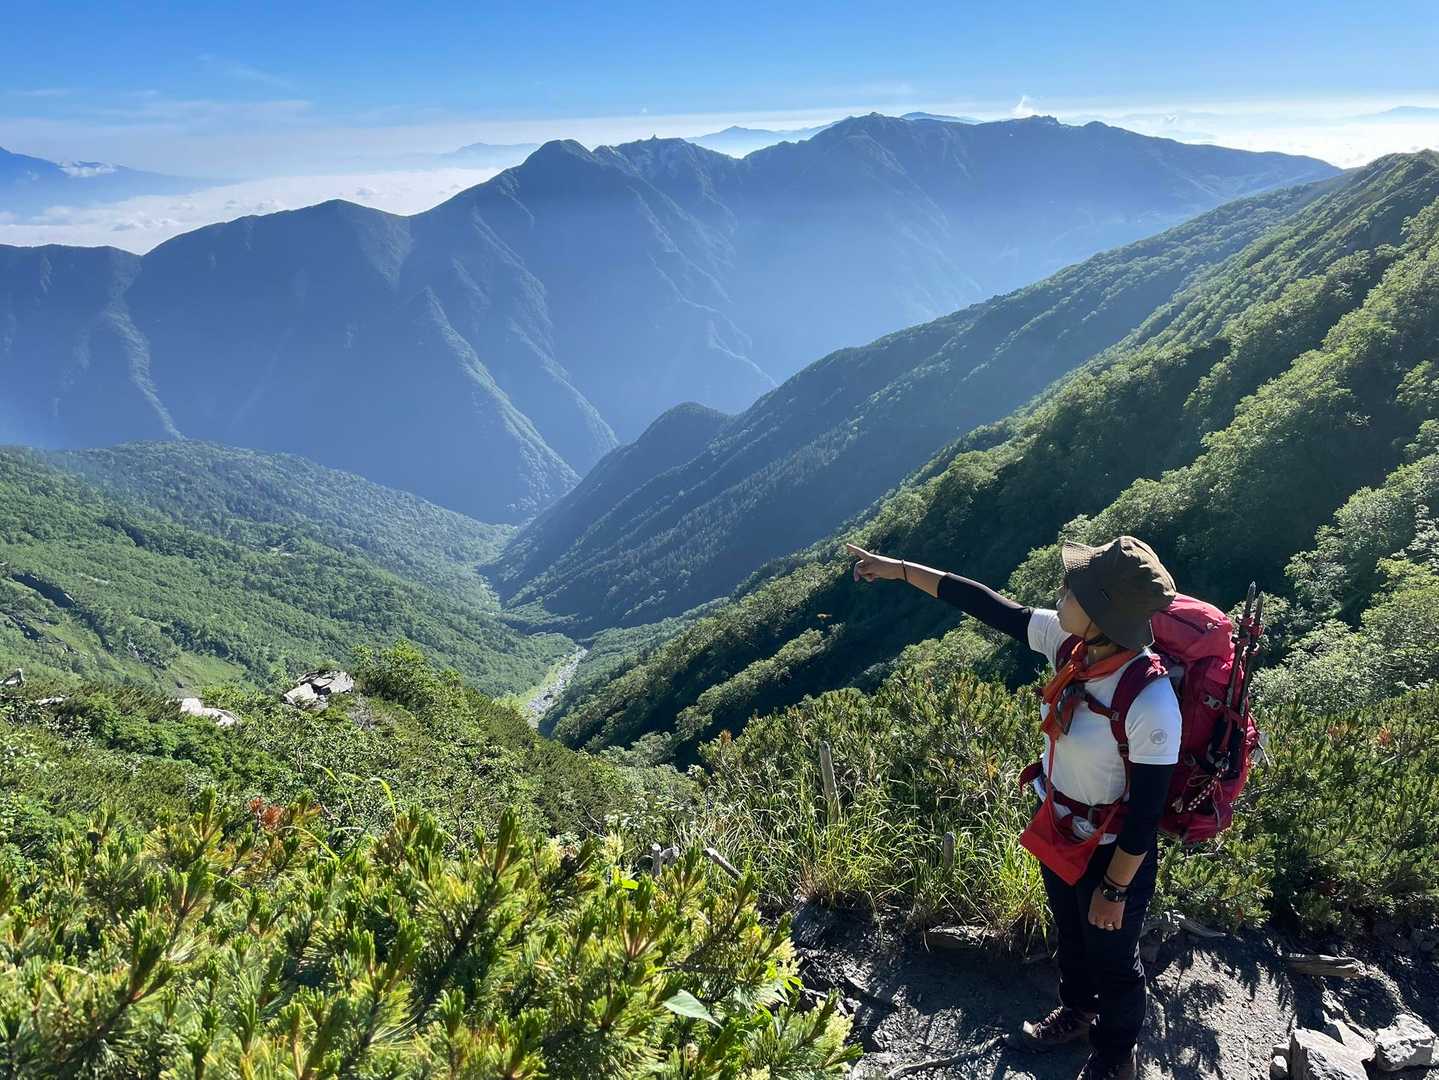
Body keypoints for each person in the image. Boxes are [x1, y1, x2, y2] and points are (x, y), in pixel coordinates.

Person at [846, 536, 1180, 1080]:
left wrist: (1116, 889)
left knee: (1115, 960)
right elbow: (985, 603)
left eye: (1072, 588)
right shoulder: (1073, 646)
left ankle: (1116, 1058)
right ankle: (1077, 1012)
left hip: (1112, 851)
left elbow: (1146, 813)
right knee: (1071, 934)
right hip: (1058, 824)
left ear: (1102, 615)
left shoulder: (1151, 700)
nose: (1060, 591)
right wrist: (899, 569)